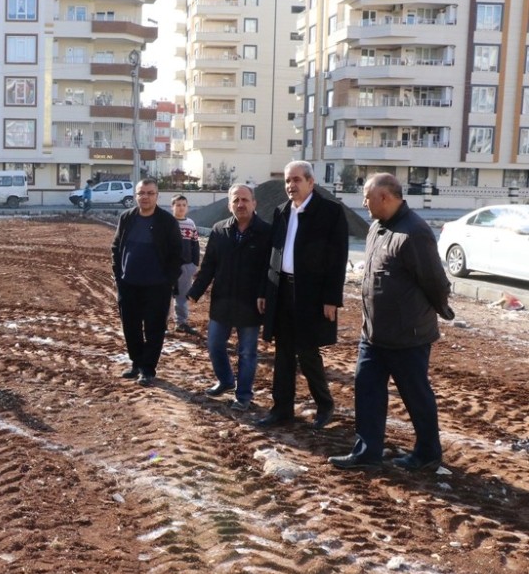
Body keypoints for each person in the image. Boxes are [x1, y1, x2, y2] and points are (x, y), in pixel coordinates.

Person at [329, 174, 454, 471]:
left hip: (408, 336)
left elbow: (436, 282)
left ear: (384, 197)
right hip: (374, 334)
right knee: (367, 391)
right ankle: (367, 452)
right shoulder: (377, 228)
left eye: (367, 196)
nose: (363, 203)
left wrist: (437, 312)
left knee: (416, 396)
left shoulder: (414, 233)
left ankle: (428, 453)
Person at [256, 160, 348, 429]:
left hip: (311, 294)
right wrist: (265, 291)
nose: (290, 185)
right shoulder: (282, 211)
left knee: (308, 352)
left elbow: (338, 259)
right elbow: (272, 254)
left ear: (310, 182)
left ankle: (324, 405)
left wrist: (331, 298)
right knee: (283, 353)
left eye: (296, 180)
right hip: (282, 290)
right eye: (287, 180)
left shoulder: (330, 212)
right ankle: (281, 409)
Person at [187, 184, 271, 410]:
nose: (240, 204)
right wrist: (195, 291)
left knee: (247, 352)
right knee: (214, 344)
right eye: (236, 200)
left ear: (254, 203)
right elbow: (209, 265)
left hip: (251, 303)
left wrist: (264, 294)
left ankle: (243, 395)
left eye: (245, 200)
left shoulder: (266, 232)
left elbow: (269, 269)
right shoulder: (219, 229)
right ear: (229, 205)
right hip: (222, 299)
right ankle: (225, 380)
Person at [111, 179, 182, 386]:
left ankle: (148, 369)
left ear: (157, 196)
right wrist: (119, 275)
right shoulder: (126, 218)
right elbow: (116, 247)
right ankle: (136, 363)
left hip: (157, 286)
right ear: (136, 196)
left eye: (150, 193)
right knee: (130, 327)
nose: (145, 197)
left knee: (154, 328)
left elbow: (177, 254)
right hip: (129, 284)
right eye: (141, 193)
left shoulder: (167, 221)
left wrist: (168, 281)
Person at [170, 194, 200, 334]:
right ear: (172, 207)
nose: (181, 208)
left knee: (182, 296)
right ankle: (161, 325)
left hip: (186, 266)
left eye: (184, 205)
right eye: (178, 205)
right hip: (168, 266)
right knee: (164, 296)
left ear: (187, 207)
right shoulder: (168, 222)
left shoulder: (190, 223)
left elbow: (195, 244)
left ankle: (181, 323)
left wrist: (194, 264)